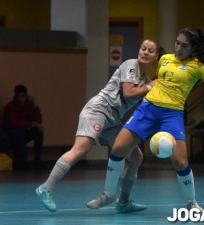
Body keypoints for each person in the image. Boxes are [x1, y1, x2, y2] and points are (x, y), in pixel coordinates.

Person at [88, 27, 204, 212]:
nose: (178, 48)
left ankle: (192, 203)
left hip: (172, 114)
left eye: (184, 46)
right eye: (177, 43)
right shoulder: (164, 58)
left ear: (193, 48)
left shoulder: (199, 67)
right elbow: (145, 58)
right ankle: (108, 193)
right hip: (148, 109)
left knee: (180, 161)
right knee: (119, 147)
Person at [35, 39, 165, 213]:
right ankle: (46, 188)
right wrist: (151, 85)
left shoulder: (145, 80)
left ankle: (123, 201)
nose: (145, 52)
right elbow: (128, 93)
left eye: (150, 51)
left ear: (156, 56)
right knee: (81, 148)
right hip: (98, 110)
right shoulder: (131, 65)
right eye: (143, 48)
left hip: (113, 120)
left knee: (135, 156)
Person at [3, 85, 44, 170]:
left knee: (38, 131)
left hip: (23, 132)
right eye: (18, 97)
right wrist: (31, 123)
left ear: (26, 96)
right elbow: (15, 122)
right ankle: (23, 163)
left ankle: (37, 161)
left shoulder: (29, 105)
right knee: (18, 133)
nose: (20, 99)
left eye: (22, 96)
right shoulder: (10, 107)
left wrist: (35, 106)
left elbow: (38, 120)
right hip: (11, 134)